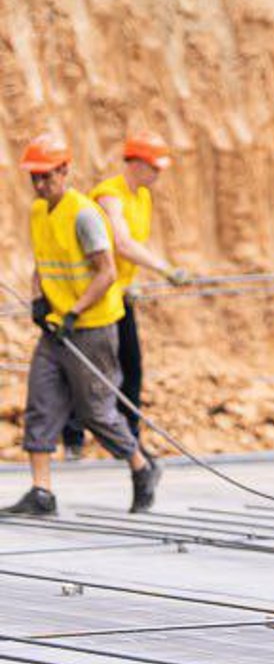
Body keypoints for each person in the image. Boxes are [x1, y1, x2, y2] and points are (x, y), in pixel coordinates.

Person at [5, 133, 161, 516]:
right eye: (34, 178)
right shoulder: (39, 211)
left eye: (46, 177)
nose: (40, 185)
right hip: (57, 329)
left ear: (64, 171)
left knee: (96, 412)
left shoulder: (84, 215)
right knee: (40, 403)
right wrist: (39, 299)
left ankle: (141, 468)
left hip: (92, 328)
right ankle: (42, 493)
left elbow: (106, 273)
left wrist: (74, 311)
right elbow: (43, 261)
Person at [62, 131, 191, 461]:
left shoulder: (142, 196)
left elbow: (128, 252)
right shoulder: (110, 196)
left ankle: (129, 441)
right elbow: (121, 243)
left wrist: (132, 281)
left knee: (130, 369)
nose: (159, 174)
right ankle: (74, 437)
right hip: (96, 299)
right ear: (135, 163)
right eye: (154, 167)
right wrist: (167, 270)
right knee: (94, 368)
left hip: (120, 296)